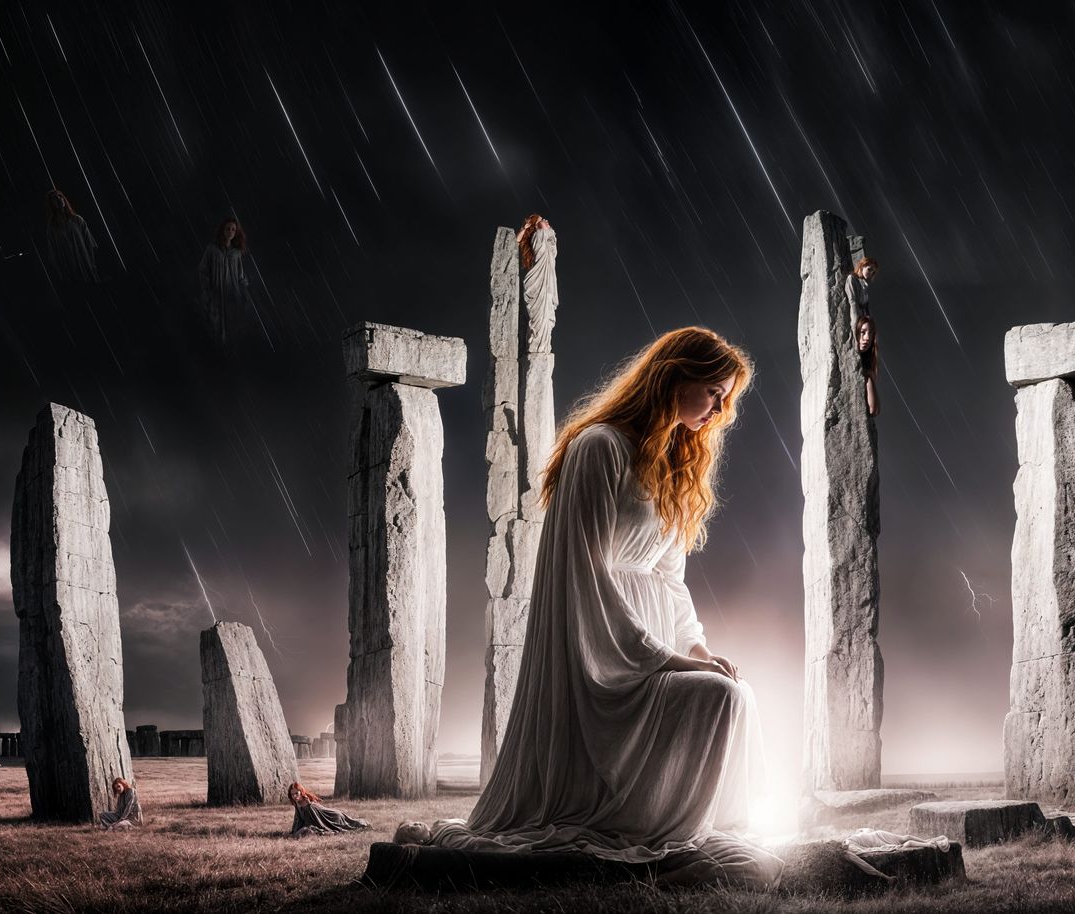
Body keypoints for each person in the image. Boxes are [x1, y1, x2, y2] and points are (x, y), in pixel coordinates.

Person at [424, 327, 780, 888]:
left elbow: (671, 579)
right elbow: (585, 575)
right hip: (603, 653)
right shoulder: (600, 449)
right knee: (715, 698)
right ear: (674, 376)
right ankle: (643, 820)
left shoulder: (673, 463)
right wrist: (664, 660)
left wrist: (698, 648)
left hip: (655, 645)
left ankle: (692, 819)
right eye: (713, 392)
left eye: (726, 398)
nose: (720, 410)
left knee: (737, 692)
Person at [197, 217, 252, 345]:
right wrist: (207, 289)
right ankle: (216, 354)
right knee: (214, 326)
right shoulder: (212, 249)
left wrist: (244, 291)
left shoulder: (236, 253)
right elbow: (203, 269)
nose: (231, 232)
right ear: (222, 230)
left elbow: (240, 275)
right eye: (228, 229)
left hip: (232, 295)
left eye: (233, 229)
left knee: (232, 326)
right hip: (215, 294)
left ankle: (231, 354)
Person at [517, 213, 558, 353]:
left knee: (546, 319)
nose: (546, 220)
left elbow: (552, 243)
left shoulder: (546, 239)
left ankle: (542, 348)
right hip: (538, 284)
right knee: (539, 321)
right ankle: (537, 348)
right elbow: (516, 242)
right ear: (536, 226)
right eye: (541, 220)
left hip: (546, 285)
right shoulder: (538, 237)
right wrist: (524, 228)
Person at [44, 189, 100, 285]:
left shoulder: (77, 220)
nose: (58, 199)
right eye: (54, 198)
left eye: (60, 196)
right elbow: (53, 254)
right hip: (69, 272)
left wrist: (92, 265)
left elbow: (89, 244)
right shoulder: (52, 228)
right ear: (51, 204)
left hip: (86, 267)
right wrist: (61, 274)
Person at [287, 782, 370, 838]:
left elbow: (315, 823)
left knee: (351, 825)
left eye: (296, 793)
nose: (294, 796)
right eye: (292, 794)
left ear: (301, 792)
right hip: (330, 816)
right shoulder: (297, 803)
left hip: (333, 817)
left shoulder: (308, 805)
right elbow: (298, 819)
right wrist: (294, 831)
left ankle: (363, 823)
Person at [856, 315, 880, 417]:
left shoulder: (868, 369)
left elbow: (875, 410)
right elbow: (873, 409)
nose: (867, 338)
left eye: (870, 334)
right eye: (863, 332)